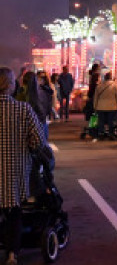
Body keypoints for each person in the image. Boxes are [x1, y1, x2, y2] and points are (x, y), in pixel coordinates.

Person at [0, 67, 44, 265]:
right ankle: (11, 254)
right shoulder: (22, 109)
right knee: (13, 213)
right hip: (13, 172)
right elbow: (38, 141)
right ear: (11, 85)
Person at [93, 72, 117, 141]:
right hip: (112, 107)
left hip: (100, 107)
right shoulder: (115, 86)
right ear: (111, 78)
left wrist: (95, 106)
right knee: (111, 121)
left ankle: (101, 134)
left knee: (101, 121)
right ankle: (111, 134)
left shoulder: (99, 86)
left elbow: (96, 97)